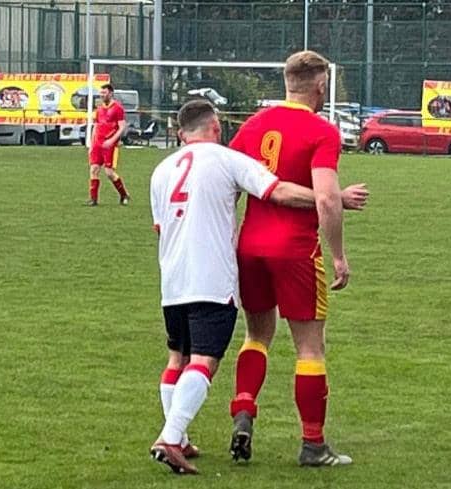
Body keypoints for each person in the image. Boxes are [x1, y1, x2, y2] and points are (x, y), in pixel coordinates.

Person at [148, 99, 365, 475]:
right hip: (226, 272)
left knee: (186, 355)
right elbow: (277, 191)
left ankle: (216, 421)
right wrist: (334, 199)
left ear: (182, 132)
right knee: (221, 357)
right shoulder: (225, 158)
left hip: (175, 275)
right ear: (215, 127)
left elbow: (159, 227)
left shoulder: (162, 169)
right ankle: (173, 436)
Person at [228, 50, 366, 467]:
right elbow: (325, 199)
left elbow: (228, 185)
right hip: (295, 251)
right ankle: (313, 445)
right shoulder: (321, 130)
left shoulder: (253, 125)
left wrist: (229, 236)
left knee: (256, 336)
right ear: (321, 85)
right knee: (310, 348)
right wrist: (339, 256)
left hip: (249, 247)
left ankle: (244, 411)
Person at [86, 83, 130, 206]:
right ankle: (93, 199)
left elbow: (122, 127)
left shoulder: (117, 108)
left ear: (110, 93)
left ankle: (124, 194)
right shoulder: (99, 109)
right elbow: (96, 125)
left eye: (104, 93)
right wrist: (91, 142)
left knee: (109, 173)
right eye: (101, 93)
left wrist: (112, 140)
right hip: (97, 144)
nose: (102, 95)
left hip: (110, 145)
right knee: (94, 169)